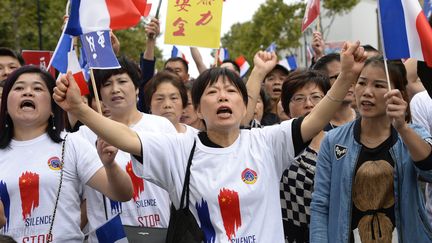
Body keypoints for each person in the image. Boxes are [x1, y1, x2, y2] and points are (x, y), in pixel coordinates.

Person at [54, 42, 367, 242]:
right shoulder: (180, 148)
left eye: (231, 91)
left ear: (244, 106)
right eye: (212, 92)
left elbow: (315, 119)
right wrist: (80, 109)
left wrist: (345, 78)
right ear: (197, 109)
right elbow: (127, 138)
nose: (222, 96)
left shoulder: (267, 142)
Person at [0, 66, 133, 242]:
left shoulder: (71, 144)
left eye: (37, 88)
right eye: (19, 88)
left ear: (52, 107)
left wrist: (110, 165)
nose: (28, 93)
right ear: (6, 106)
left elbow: (123, 194)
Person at [310, 56, 432, 242]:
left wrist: (403, 128)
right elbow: (320, 204)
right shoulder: (333, 141)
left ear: (397, 93)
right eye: (362, 83)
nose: (367, 92)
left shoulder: (413, 134)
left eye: (379, 85)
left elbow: (429, 171)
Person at [77, 57, 176, 241]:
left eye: (122, 81)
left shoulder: (162, 127)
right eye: (107, 84)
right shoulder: (84, 135)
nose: (115, 89)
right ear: (99, 93)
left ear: (137, 87)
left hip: (159, 233)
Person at [279, 70, 330, 242]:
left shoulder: (342, 142)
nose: (308, 104)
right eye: (299, 98)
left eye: (316, 97)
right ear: (286, 106)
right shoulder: (276, 144)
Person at [313, 53, 357, 130]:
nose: (349, 82)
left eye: (351, 75)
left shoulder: (368, 120)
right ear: (321, 83)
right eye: (339, 77)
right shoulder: (313, 128)